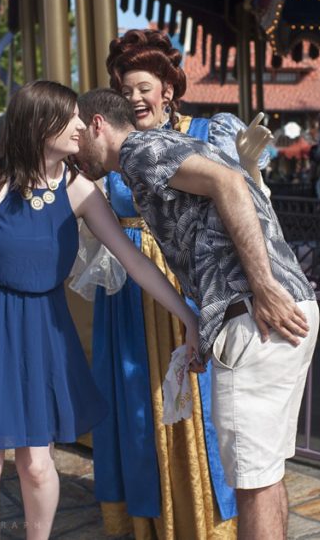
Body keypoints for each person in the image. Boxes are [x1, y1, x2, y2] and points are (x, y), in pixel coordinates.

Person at [0, 81, 202, 540]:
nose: (80, 126)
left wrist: (188, 314)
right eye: (70, 117)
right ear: (38, 124)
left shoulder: (79, 189)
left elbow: (133, 262)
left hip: (43, 329)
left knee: (36, 464)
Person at [75, 88, 318, 540]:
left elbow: (227, 186)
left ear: (96, 124)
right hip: (282, 307)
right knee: (266, 475)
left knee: (252, 484)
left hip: (257, 314)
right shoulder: (168, 146)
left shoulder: (139, 150)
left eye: (77, 136)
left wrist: (261, 287)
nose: (75, 150)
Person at [89, 28, 239, 539]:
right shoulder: (115, 143)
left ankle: (204, 522)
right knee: (135, 402)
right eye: (125, 89)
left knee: (198, 402)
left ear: (168, 88)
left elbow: (241, 198)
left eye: (143, 87)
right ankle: (148, 518)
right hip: (129, 290)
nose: (134, 98)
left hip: (191, 276)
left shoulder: (206, 131)